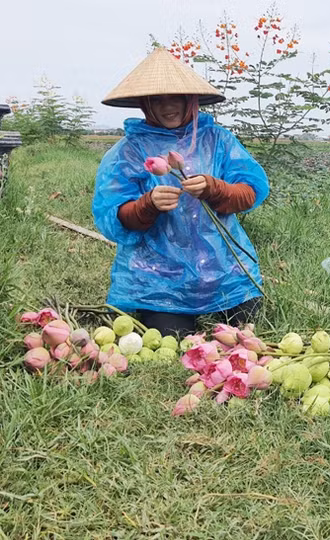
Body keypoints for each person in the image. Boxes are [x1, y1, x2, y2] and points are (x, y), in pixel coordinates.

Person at [93, 48, 269, 336]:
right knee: (172, 335)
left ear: (191, 99)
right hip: (159, 279)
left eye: (175, 96)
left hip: (224, 273)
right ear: (144, 104)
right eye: (157, 99)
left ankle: (218, 298)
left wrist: (215, 188)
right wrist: (147, 206)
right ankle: (166, 309)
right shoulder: (129, 151)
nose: (167, 106)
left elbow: (249, 193)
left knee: (246, 324)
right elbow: (116, 217)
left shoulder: (218, 140)